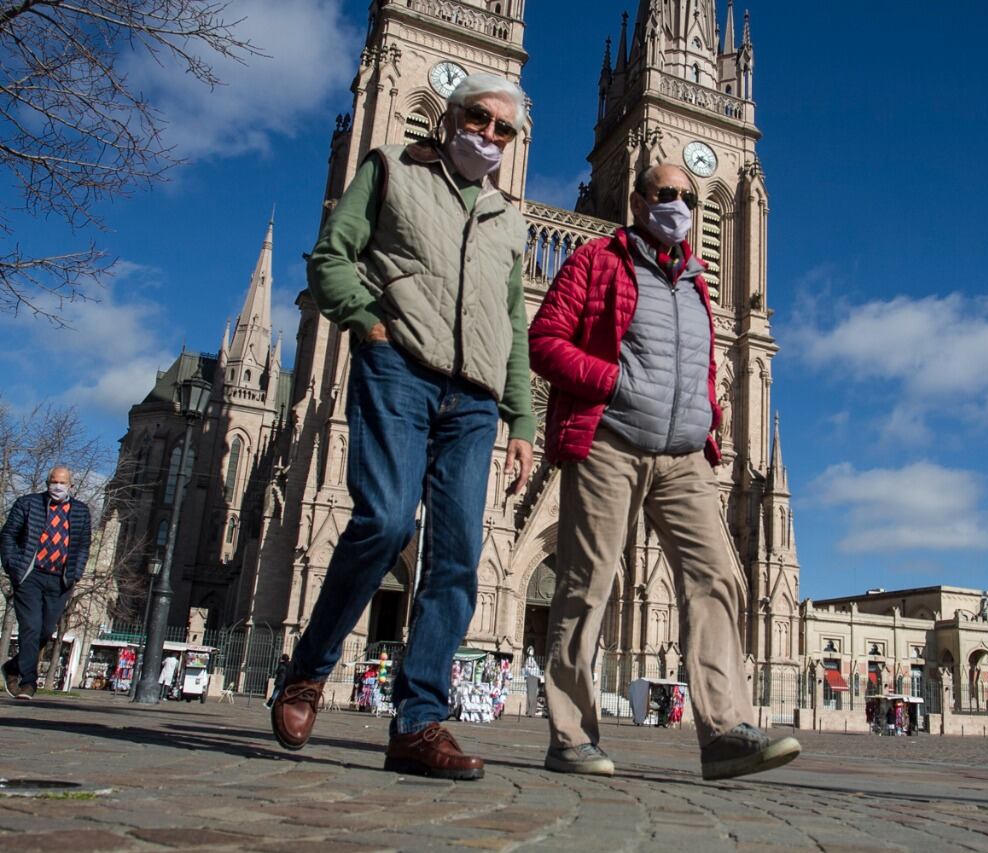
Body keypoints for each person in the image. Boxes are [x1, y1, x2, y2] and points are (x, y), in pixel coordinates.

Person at [268, 72, 534, 782]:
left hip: (474, 400)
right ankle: (308, 669)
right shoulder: (390, 167)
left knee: (457, 557)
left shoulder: (508, 218)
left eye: (504, 128)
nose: (489, 135)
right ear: (447, 118)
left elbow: (513, 322)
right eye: (478, 118)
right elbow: (331, 257)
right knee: (384, 522)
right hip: (399, 371)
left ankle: (417, 722)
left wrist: (521, 417)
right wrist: (369, 324)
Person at [528, 163, 802, 781]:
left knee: (717, 577)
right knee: (586, 582)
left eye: (690, 197)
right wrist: (611, 383)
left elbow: (700, 365)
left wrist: (709, 423)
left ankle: (726, 731)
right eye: (666, 193)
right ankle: (571, 736)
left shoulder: (699, 281)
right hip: (610, 442)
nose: (679, 204)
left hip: (684, 457)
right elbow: (543, 340)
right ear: (636, 200)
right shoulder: (595, 259)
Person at [1, 466, 93, 700]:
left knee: (45, 630)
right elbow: (8, 534)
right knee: (31, 627)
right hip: (30, 575)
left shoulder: (81, 512)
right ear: (47, 483)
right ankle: (28, 682)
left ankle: (12, 667)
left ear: (71, 485)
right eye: (54, 481)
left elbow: (83, 545)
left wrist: (76, 573)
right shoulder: (27, 504)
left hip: (60, 579)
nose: (58, 486)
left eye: (62, 482)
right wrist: (12, 564)